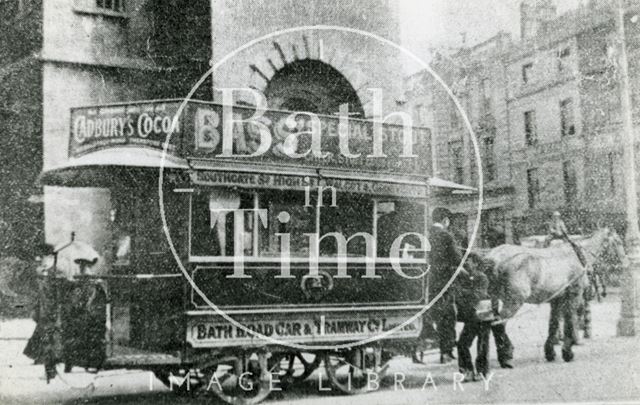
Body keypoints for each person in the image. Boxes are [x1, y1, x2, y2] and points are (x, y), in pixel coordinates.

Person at [427, 207, 464, 364]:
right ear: (445, 221)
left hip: (429, 281)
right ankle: (446, 352)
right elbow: (457, 258)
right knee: (448, 316)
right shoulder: (446, 235)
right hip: (444, 281)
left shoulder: (427, 234)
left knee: (436, 315)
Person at [456, 252, 495, 380]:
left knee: (482, 345)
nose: (466, 263)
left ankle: (481, 372)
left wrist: (461, 292)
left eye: (469, 261)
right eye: (465, 261)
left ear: (476, 263)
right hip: (472, 316)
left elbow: (479, 294)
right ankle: (468, 370)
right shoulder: (465, 277)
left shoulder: (481, 277)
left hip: (482, 315)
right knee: (463, 343)